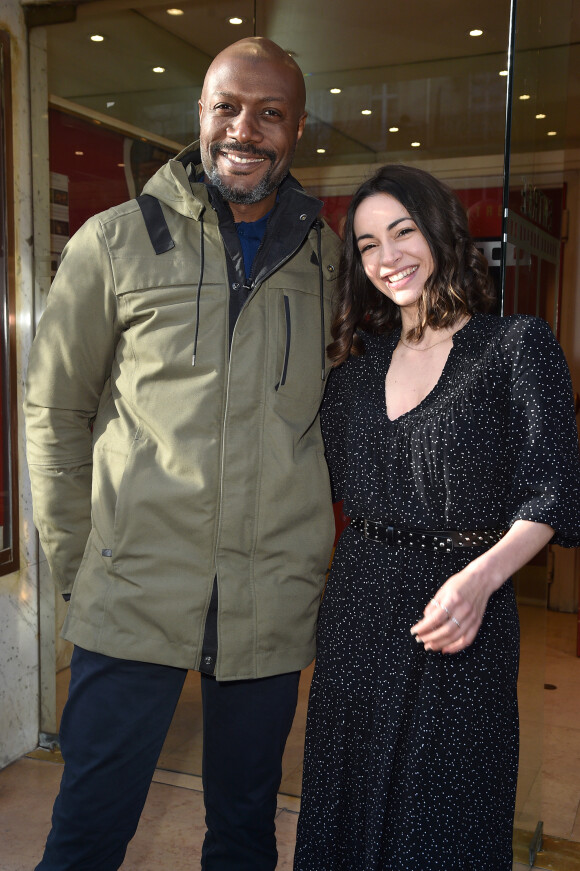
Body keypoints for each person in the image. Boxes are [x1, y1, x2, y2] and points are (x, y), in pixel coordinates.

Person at [24, 37, 340, 871]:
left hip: (267, 601)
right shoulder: (113, 242)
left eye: (270, 113)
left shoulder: (329, 259)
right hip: (131, 592)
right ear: (199, 115)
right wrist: (80, 563)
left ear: (297, 129)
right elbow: (54, 410)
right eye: (229, 107)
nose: (246, 128)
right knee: (88, 830)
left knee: (243, 832)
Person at [293, 164, 580, 871]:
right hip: (358, 606)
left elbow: (555, 490)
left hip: (462, 618)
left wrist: (480, 580)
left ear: (443, 233)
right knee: (346, 798)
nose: (386, 257)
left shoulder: (516, 347)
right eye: (366, 245)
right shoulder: (354, 365)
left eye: (402, 231)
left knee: (442, 817)